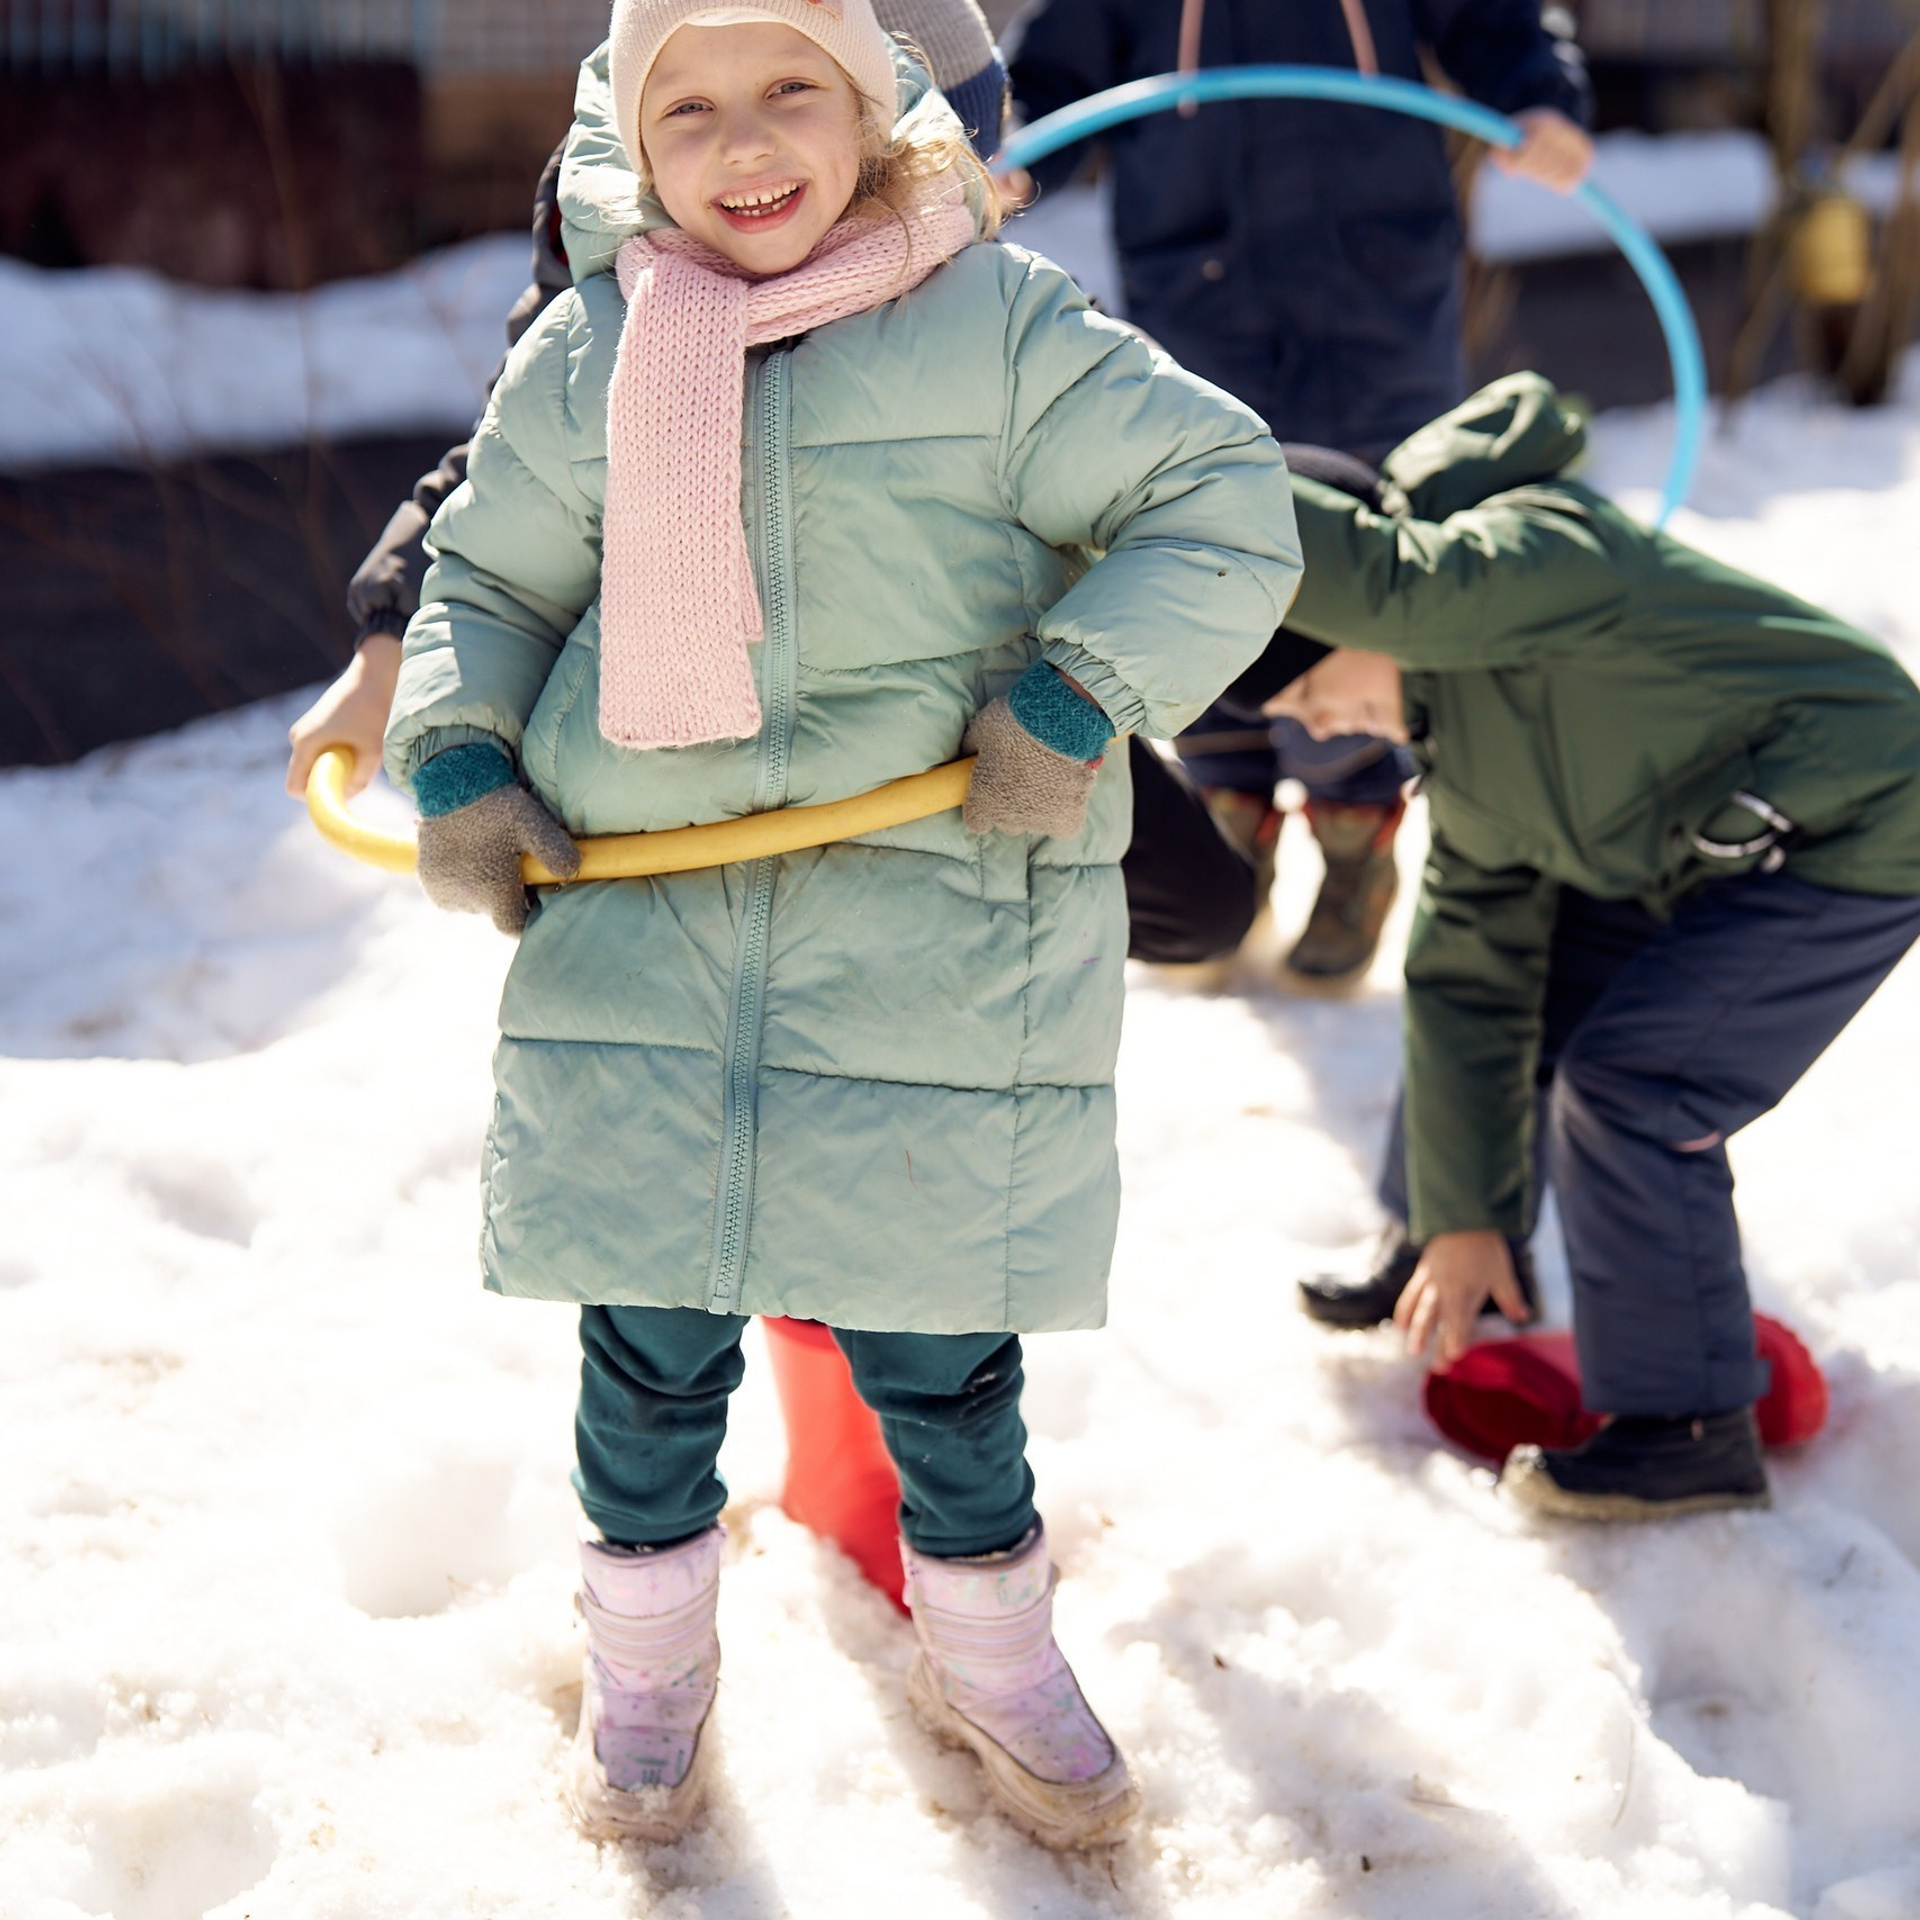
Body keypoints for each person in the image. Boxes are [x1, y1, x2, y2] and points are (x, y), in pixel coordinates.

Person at [381, 0, 1301, 1848]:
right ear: (635, 148)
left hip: (933, 937)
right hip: (651, 945)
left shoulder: (1000, 327)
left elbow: (1216, 496)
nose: (744, 141)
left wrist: (1076, 694)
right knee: (646, 1350)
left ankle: (994, 1651)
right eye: (690, 106)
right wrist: (464, 751)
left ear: (877, 104)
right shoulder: (593, 354)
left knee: (942, 1350)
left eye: (788, 87)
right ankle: (649, 1679)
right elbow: (487, 573)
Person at [287, 0, 1265, 972]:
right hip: (682, 709)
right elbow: (507, 496)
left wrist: (1095, 689)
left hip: (955, 683)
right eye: (958, 147)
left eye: (980, 153)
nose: (972, 178)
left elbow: (1196, 491)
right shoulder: (633, 279)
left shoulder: (988, 314)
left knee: (1199, 904)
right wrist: (392, 650)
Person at [1238, 375, 1920, 1519]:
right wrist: (1463, 1208)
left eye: (1312, 685)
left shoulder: (1536, 549)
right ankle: (1453, 1245)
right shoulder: (1464, 749)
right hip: (1685, 849)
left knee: (1635, 1084)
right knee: (1506, 989)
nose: (1313, 726)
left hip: (1853, 830)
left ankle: (1688, 1423)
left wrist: (1176, 486)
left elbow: (1399, 585)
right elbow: (1468, 982)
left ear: (1369, 616)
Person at [1009, 0, 1594, 984]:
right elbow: (1063, 73)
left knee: (1363, 571)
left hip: (1375, 303)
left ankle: (1355, 821)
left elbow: (1494, 19)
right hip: (1203, 292)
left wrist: (1540, 102)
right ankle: (1228, 809)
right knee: (1196, 544)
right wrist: (1016, 156)